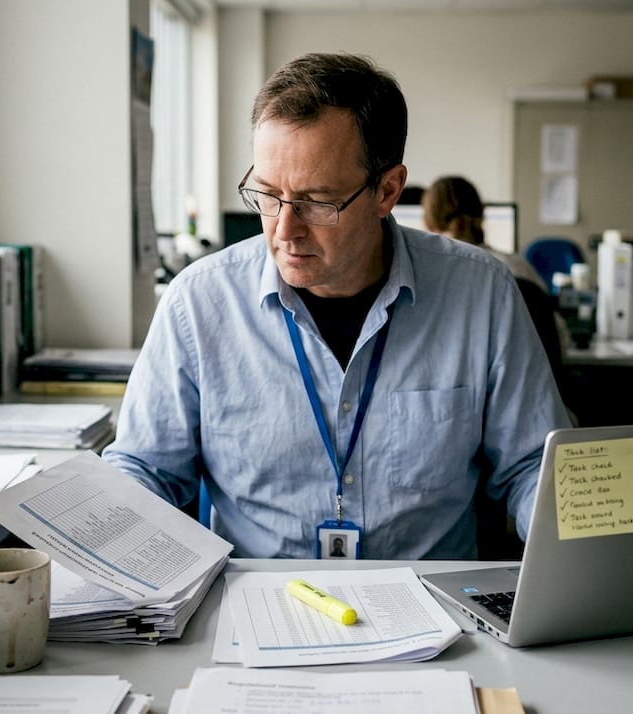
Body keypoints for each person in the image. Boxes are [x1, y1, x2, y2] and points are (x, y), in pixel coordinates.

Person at [101, 52, 569, 560]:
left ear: (386, 190)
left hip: (438, 609)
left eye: (316, 202)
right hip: (257, 609)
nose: (284, 229)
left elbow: (533, 467)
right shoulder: (199, 304)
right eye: (267, 194)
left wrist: (579, 537)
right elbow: (145, 469)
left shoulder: (482, 294)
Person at [421, 175, 569, 391]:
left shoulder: (426, 274)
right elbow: (559, 340)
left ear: (428, 222)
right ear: (481, 215)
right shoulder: (518, 266)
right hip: (537, 403)